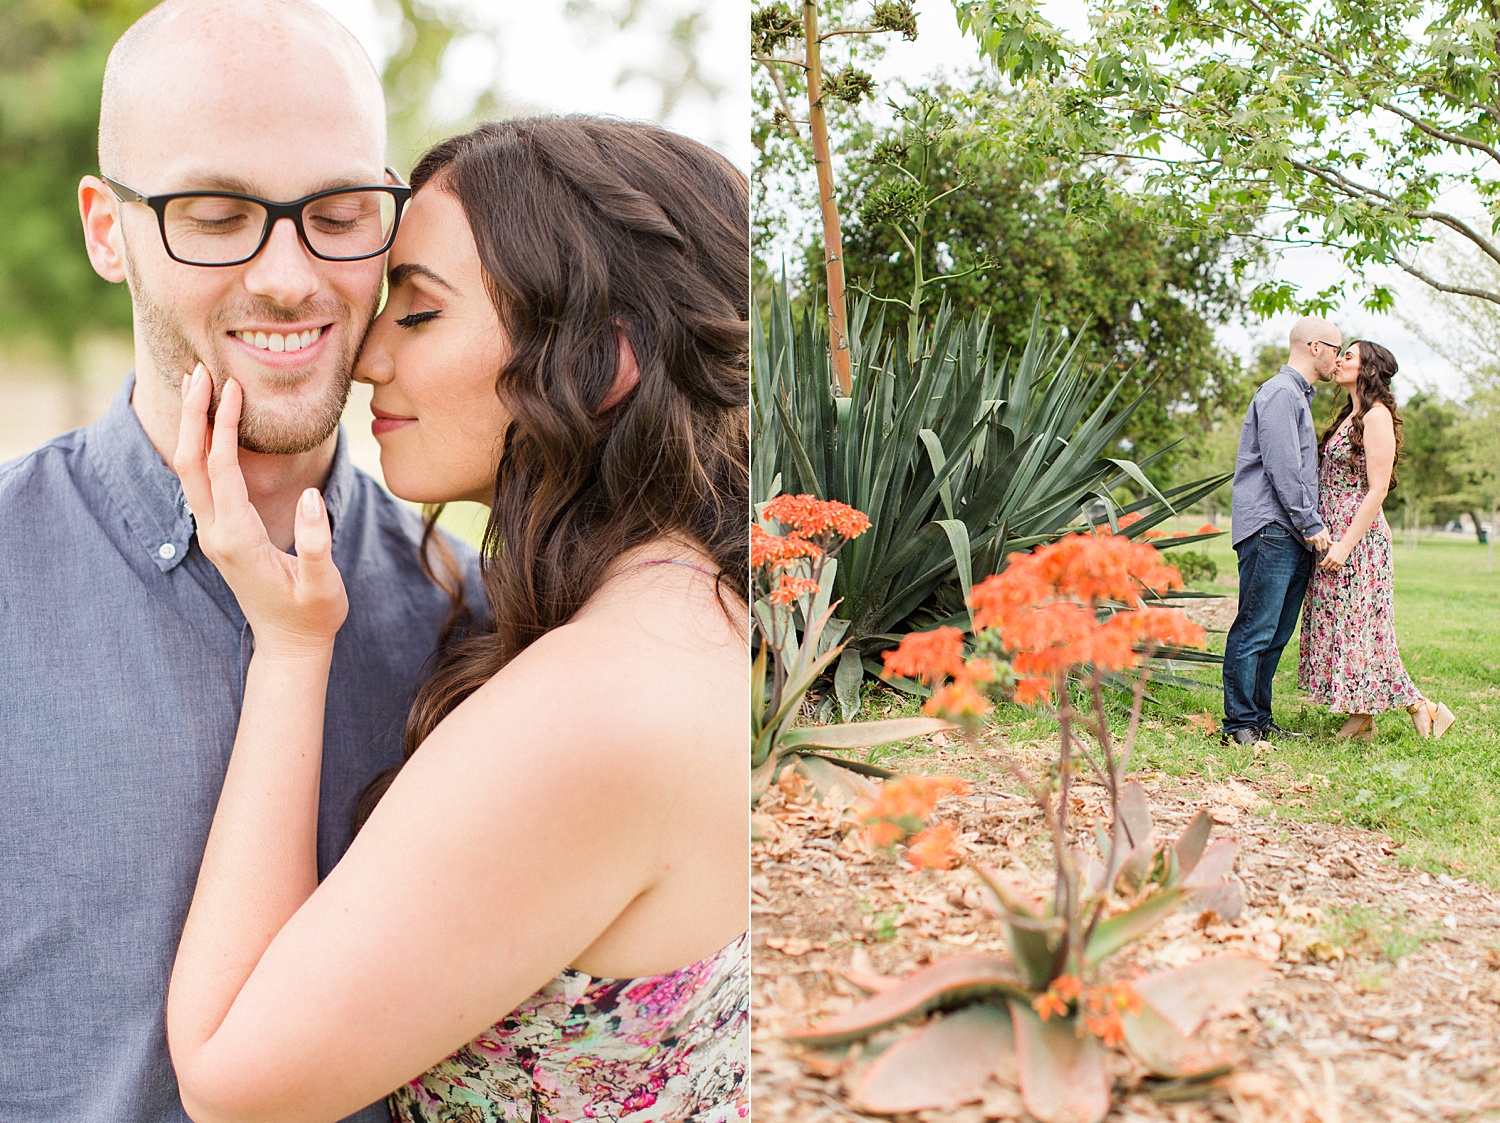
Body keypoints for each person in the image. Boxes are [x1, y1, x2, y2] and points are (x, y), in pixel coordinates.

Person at [161, 116, 750, 1123]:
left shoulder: (594, 701)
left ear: (604, 362)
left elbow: (229, 1081)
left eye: (420, 315)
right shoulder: (710, 616)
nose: (370, 358)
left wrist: (293, 648)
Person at [0, 4, 475, 1121]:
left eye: (338, 212)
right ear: (107, 229)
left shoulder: (490, 617)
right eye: (214, 217)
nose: (288, 276)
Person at [1297, 341, 1456, 740]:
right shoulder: (1350, 415)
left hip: (1359, 541)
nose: (1338, 361)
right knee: (1346, 629)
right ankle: (1362, 715)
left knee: (1361, 629)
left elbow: (1378, 489)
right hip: (1334, 535)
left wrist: (1345, 545)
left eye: (1348, 356)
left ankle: (1424, 707)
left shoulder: (1377, 416)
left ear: (1368, 368)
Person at [1220, 316, 1339, 746]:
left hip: (1290, 534)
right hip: (1272, 528)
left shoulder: (1297, 397)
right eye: (1335, 349)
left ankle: (1258, 718)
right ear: (1313, 347)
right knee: (1254, 629)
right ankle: (1238, 726)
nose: (1338, 359)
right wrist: (1312, 523)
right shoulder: (1280, 393)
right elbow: (1283, 467)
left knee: (1275, 634)